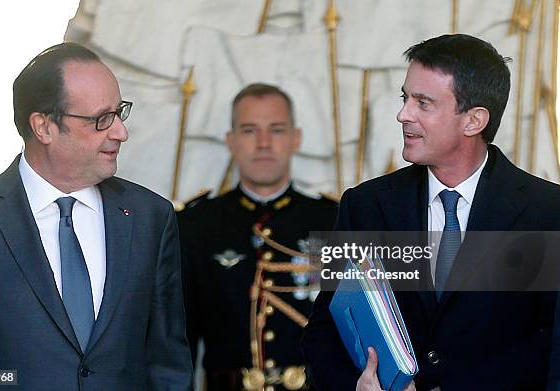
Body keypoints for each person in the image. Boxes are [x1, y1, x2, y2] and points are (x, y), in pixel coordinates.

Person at [302, 34, 560, 390]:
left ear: (474, 120)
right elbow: (322, 331)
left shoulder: (547, 212)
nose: (403, 114)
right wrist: (355, 386)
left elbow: (550, 348)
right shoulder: (363, 205)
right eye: (405, 98)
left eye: (423, 103)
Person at [0, 43, 192, 390]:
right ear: (44, 127)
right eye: (100, 119)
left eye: (119, 113)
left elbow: (168, 366)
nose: (121, 132)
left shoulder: (150, 217)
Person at [178, 83, 337, 390]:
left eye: (276, 130)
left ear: (296, 138)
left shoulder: (333, 222)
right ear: (231, 141)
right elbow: (177, 344)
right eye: (250, 130)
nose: (263, 143)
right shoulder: (194, 226)